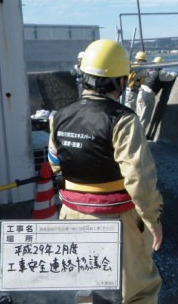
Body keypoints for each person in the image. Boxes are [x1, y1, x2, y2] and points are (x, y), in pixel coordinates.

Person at [47, 39, 164, 303]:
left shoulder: (60, 116)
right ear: (121, 81)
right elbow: (138, 178)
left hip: (71, 213)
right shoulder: (122, 119)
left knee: (85, 288)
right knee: (135, 290)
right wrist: (153, 220)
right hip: (116, 218)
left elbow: (55, 163)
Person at [136, 56, 178, 131]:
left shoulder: (148, 70)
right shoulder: (159, 73)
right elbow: (170, 77)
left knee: (138, 117)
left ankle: (134, 135)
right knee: (145, 118)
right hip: (148, 95)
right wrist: (176, 73)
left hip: (140, 93)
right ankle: (139, 138)